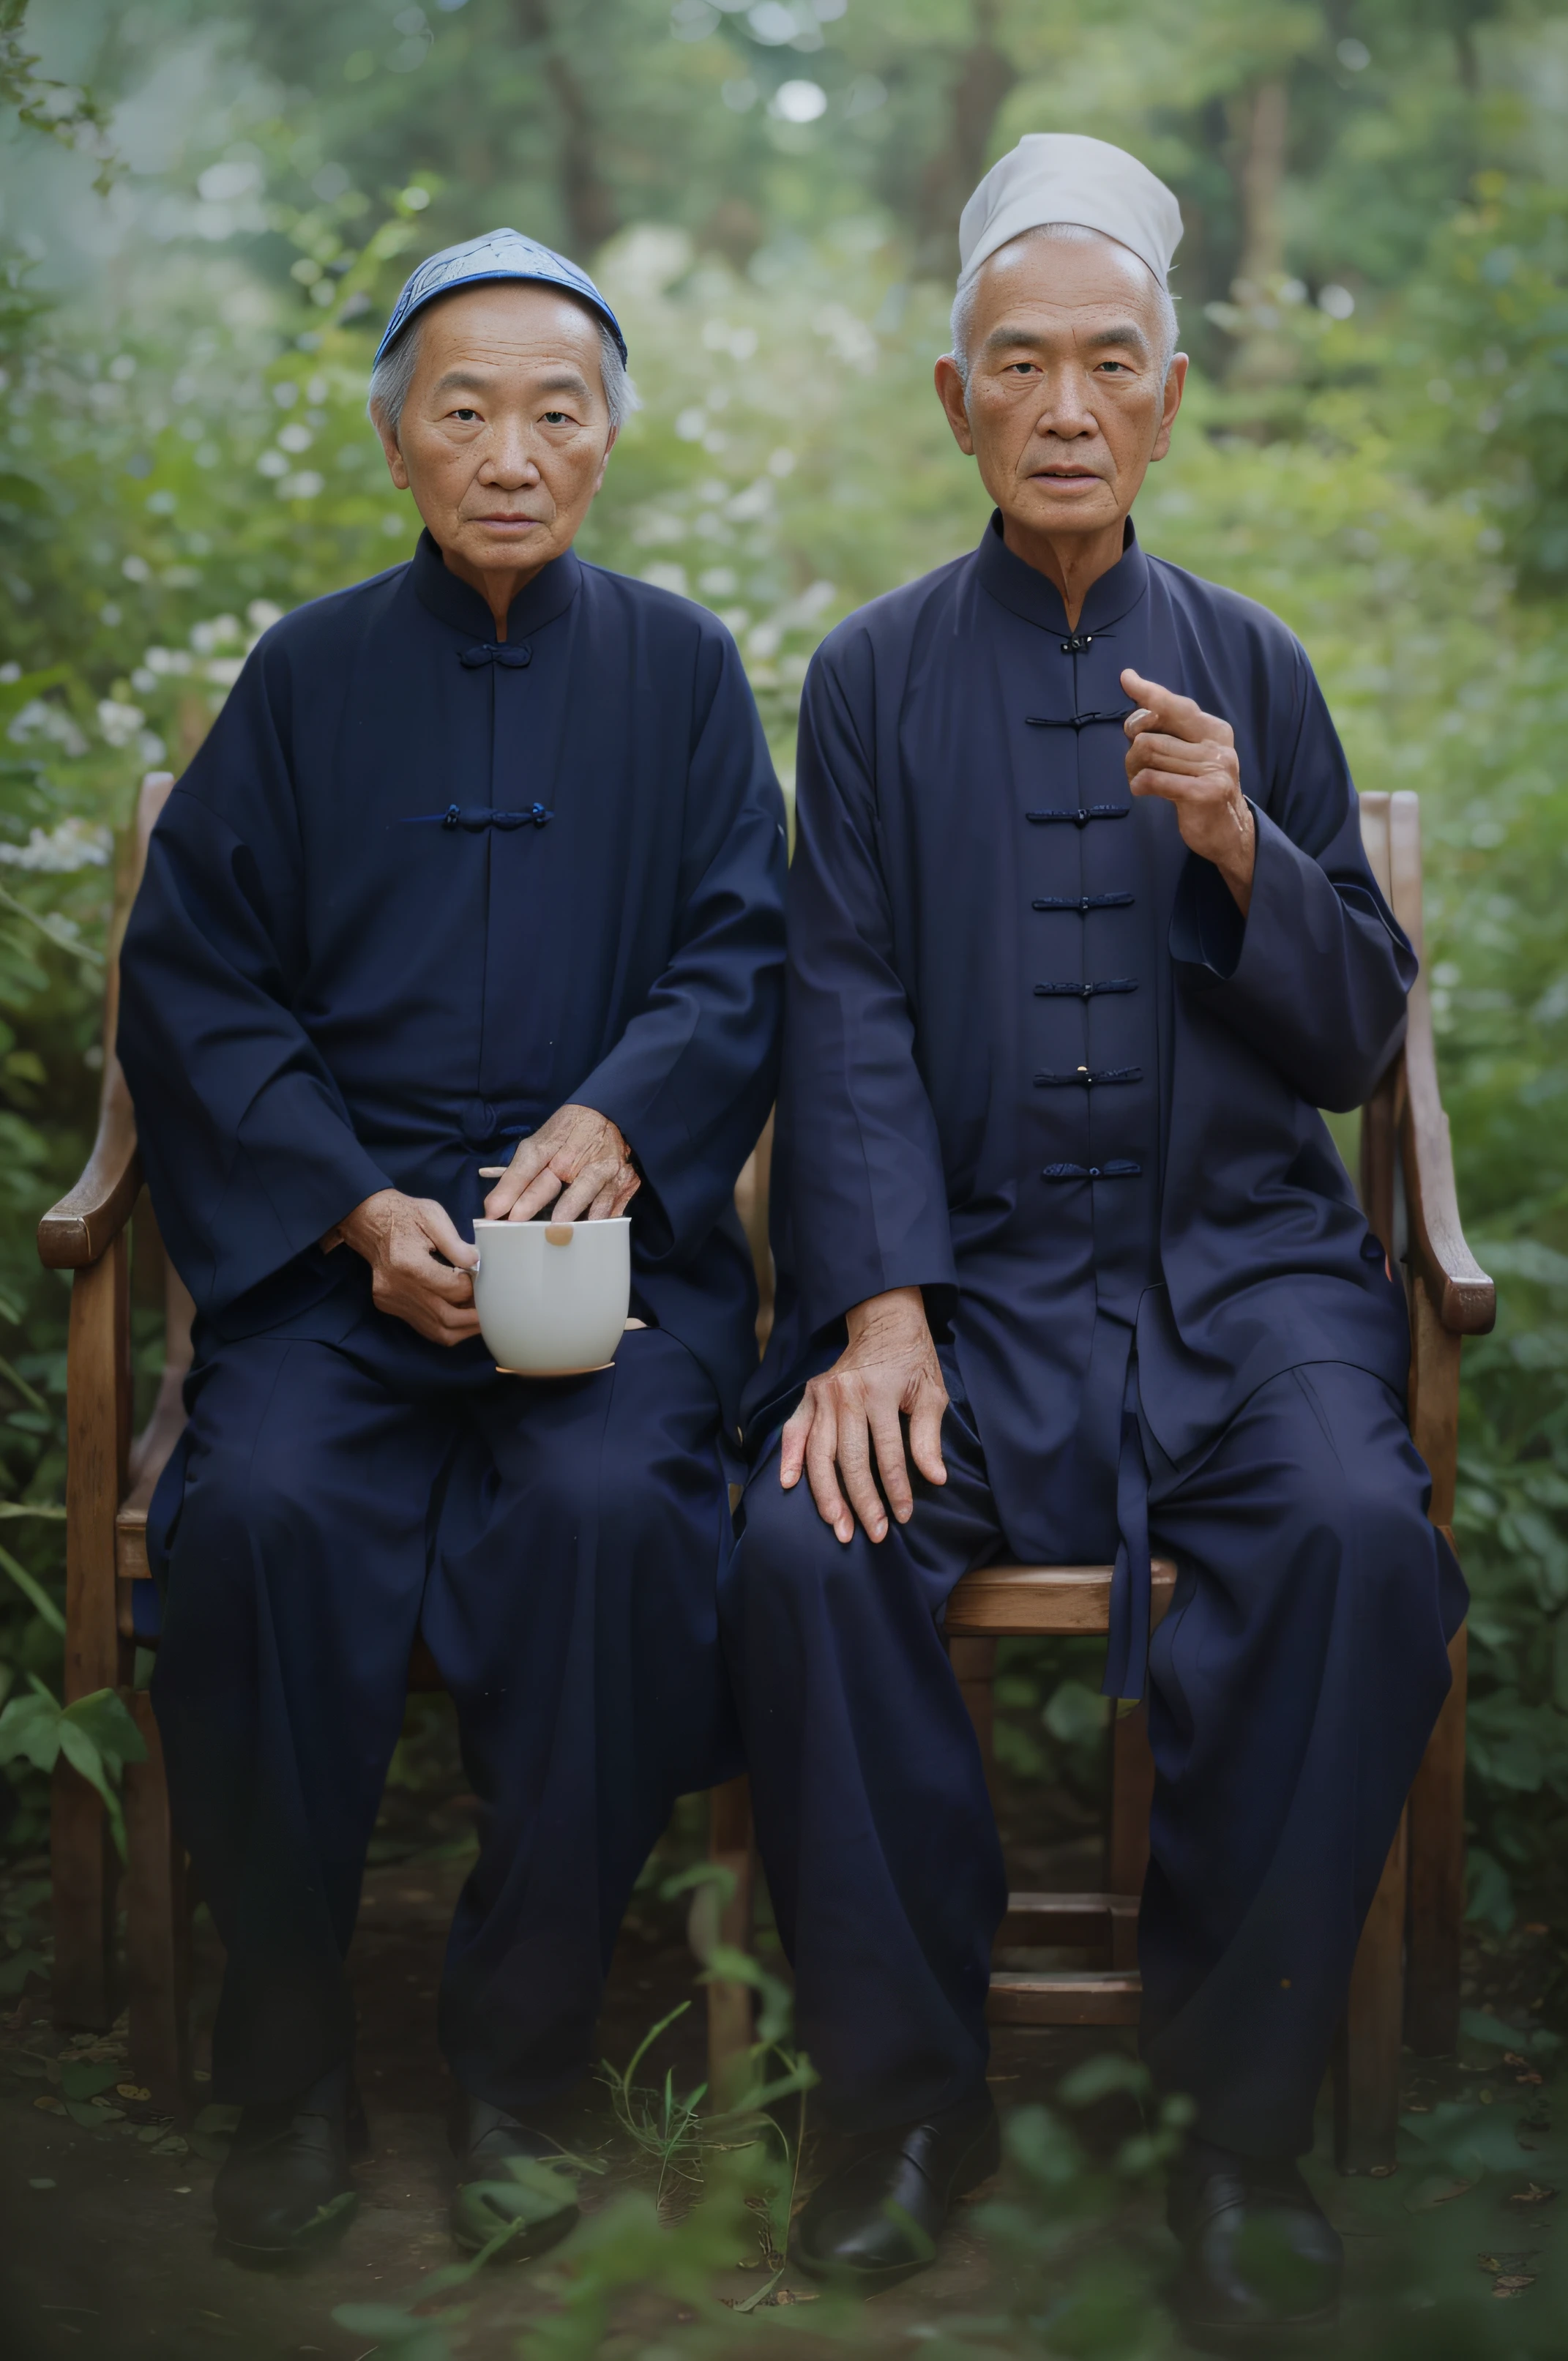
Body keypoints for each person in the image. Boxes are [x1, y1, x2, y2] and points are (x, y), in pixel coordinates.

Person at [721, 135, 1463, 2340]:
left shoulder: (1254, 662)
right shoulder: (864, 683)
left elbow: (1348, 1047)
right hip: (960, 1296)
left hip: (1240, 1296)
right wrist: (872, 1311)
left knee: (1351, 1535)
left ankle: (1232, 2140)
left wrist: (1246, 845)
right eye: (1017, 364)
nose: (1063, 404)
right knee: (802, 1546)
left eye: (1107, 365)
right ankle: (900, 2107)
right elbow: (834, 996)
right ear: (952, 398)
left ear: (1163, 404)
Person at [118, 228, 788, 2266]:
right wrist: (343, 1196)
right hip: (346, 1261)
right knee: (263, 1523)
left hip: (603, 1263)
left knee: (609, 1524)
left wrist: (613, 1121)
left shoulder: (677, 672)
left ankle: (522, 2065)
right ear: (399, 433)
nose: (511, 448)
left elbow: (744, 954)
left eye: (555, 408)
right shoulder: (309, 675)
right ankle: (291, 2062)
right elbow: (197, 978)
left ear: (607, 442)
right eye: (467, 406)